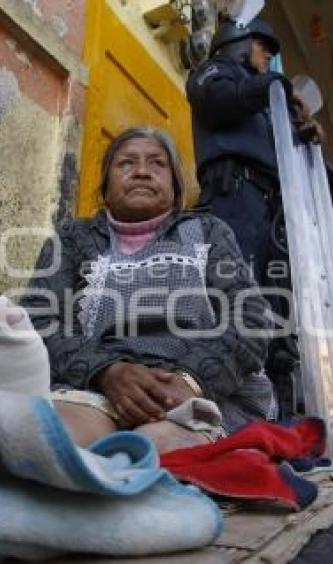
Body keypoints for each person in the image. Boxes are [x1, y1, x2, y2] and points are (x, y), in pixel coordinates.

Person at [20, 127, 275, 454]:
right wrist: (107, 372)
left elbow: (250, 319)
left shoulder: (208, 231)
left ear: (174, 184)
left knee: (153, 451)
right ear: (106, 185)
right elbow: (40, 319)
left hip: (200, 388)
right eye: (126, 164)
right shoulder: (72, 238)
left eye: (157, 164)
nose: (141, 171)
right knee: (53, 442)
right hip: (97, 385)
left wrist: (190, 380)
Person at [185, 16, 333, 410]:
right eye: (265, 49)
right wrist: (279, 88)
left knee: (276, 313)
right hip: (233, 198)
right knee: (235, 304)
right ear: (239, 43)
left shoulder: (266, 107)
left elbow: (289, 158)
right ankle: (226, 412)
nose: (269, 59)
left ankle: (276, 421)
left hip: (273, 211)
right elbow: (221, 103)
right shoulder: (213, 73)